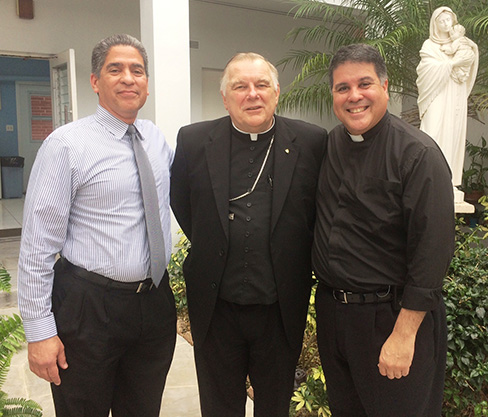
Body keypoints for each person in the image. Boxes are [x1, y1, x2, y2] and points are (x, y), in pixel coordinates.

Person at [17, 34, 177, 417]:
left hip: (153, 303)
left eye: (137, 70)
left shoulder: (155, 139)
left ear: (147, 84)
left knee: (143, 408)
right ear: (95, 82)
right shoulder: (66, 146)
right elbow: (37, 246)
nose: (128, 78)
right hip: (88, 308)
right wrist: (40, 333)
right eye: (115, 69)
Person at [170, 52, 327, 417]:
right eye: (240, 86)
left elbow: (317, 212)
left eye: (261, 86)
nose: (251, 94)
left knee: (274, 406)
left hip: (279, 308)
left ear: (276, 92)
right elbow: (182, 201)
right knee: (219, 406)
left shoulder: (312, 141)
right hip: (216, 306)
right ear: (225, 98)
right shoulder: (194, 140)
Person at [312, 44, 455, 416]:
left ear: (386, 86)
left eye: (365, 84)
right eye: (343, 88)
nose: (354, 96)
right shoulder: (331, 144)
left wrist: (404, 335)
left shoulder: (418, 154)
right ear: (333, 95)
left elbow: (432, 250)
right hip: (335, 316)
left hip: (390, 320)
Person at [416, 7, 479, 188]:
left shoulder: (463, 42)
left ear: (454, 21)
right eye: (441, 21)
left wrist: (453, 63)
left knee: (452, 130)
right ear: (435, 24)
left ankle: (447, 180)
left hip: (454, 92)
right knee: (432, 128)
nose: (445, 24)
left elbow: (469, 57)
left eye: (448, 20)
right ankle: (425, 175)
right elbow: (424, 70)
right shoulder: (429, 45)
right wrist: (450, 64)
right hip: (436, 92)